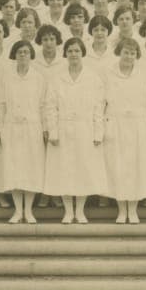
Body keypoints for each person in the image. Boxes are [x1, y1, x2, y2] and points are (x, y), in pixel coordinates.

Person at [43, 37, 107, 225]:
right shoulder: (56, 78)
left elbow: (98, 106)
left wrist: (98, 132)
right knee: (64, 170)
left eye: (77, 51)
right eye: (70, 51)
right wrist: (53, 131)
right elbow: (50, 106)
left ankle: (80, 211)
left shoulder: (93, 78)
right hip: (63, 130)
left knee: (83, 170)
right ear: (65, 54)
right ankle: (68, 211)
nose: (73, 55)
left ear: (82, 53)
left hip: (85, 129)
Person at [102, 38, 146, 224]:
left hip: (137, 126)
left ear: (137, 55)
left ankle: (133, 210)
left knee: (135, 168)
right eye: (126, 52)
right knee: (118, 167)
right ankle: (121, 210)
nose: (129, 56)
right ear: (119, 52)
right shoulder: (108, 73)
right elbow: (101, 102)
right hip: (116, 125)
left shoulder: (144, 74)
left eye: (133, 53)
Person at [0, 40, 48, 225]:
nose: (23, 55)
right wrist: (0, 128)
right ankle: (18, 210)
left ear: (31, 55)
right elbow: (1, 105)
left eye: (26, 52)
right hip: (11, 127)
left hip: (33, 127)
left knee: (31, 168)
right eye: (19, 52)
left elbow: (43, 106)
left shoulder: (38, 78)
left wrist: (45, 129)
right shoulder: (6, 78)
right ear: (14, 55)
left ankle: (29, 211)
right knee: (14, 168)